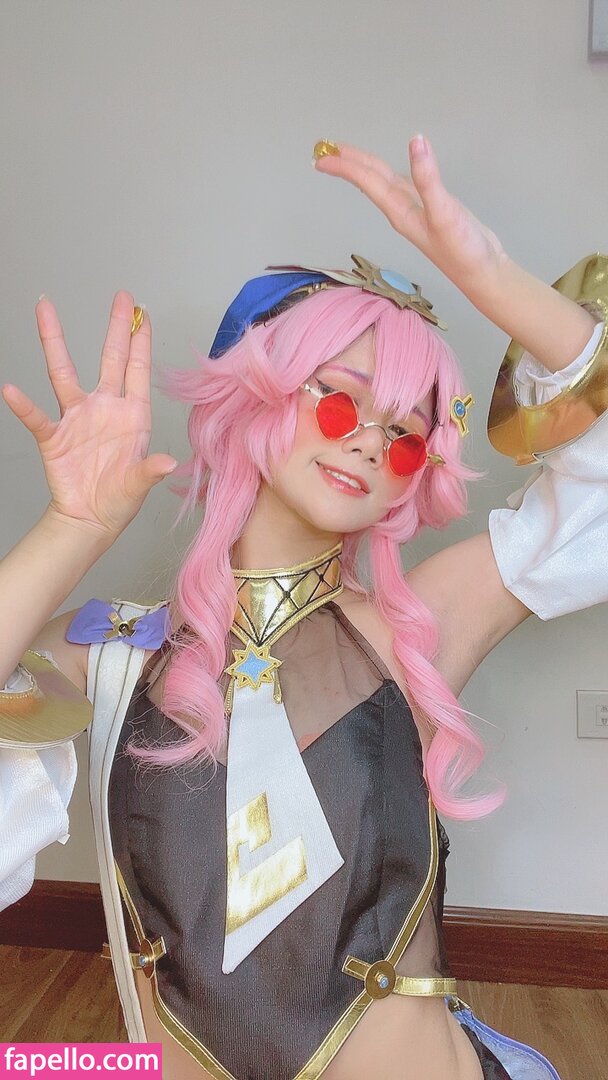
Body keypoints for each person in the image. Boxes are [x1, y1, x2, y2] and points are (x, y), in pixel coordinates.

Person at [1, 135, 606, 1080]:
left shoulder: (416, 626)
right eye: (339, 404)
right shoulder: (116, 653)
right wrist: (71, 528)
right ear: (259, 396)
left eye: (404, 438)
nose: (368, 443)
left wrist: (489, 275)